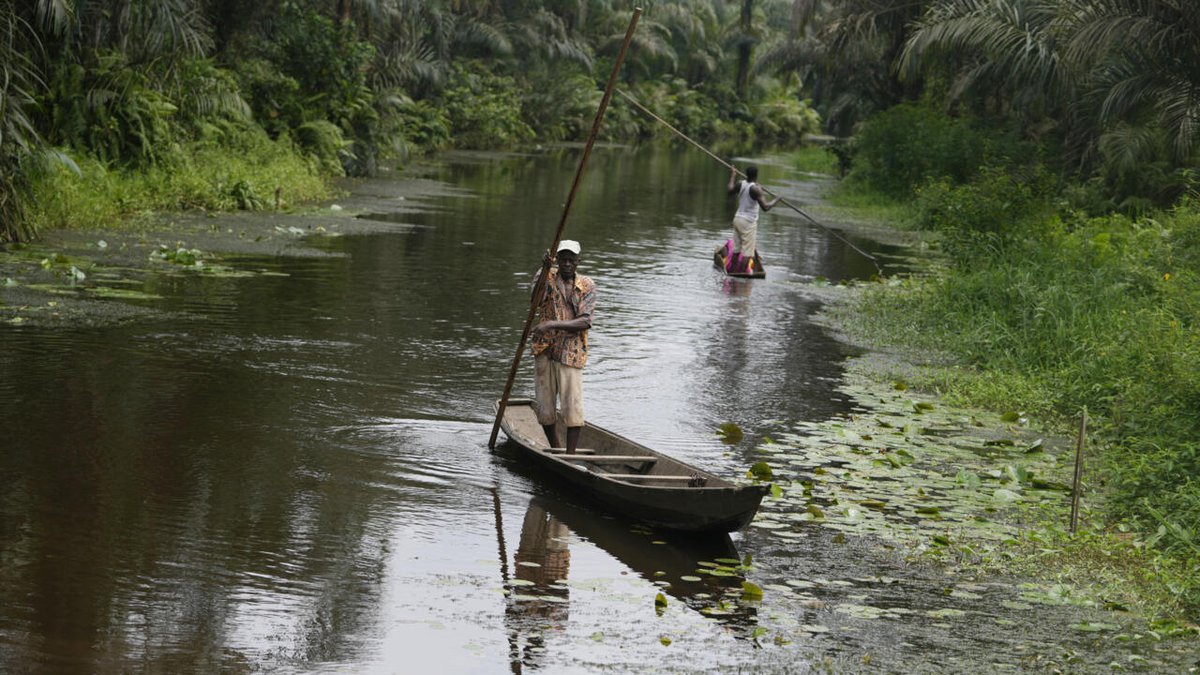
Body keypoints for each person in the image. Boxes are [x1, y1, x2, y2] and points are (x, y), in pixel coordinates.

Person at [530, 240, 595, 454]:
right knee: (545, 407)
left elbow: (585, 321)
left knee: (573, 407)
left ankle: (570, 455)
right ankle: (556, 449)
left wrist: (551, 324)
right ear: (557, 260)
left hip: (571, 352)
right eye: (563, 259)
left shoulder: (586, 285)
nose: (567, 264)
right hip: (545, 349)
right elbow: (534, 301)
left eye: (571, 260)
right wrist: (544, 269)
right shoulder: (546, 276)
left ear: (578, 262)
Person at [726, 165, 781, 273]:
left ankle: (731, 272)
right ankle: (741, 275)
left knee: (736, 250)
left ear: (747, 174)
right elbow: (765, 207)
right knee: (747, 253)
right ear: (756, 175)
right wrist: (776, 199)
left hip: (737, 219)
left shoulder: (740, 184)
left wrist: (733, 175)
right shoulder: (756, 189)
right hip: (748, 222)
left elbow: (730, 190)